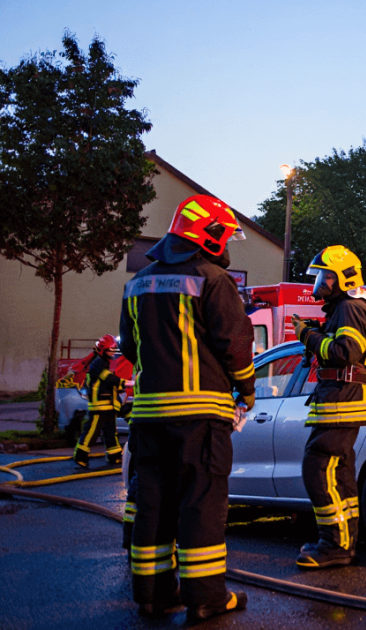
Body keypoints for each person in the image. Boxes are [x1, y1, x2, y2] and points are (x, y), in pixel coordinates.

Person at [119, 195, 255, 621]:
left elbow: (129, 346)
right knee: (200, 505)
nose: (228, 243)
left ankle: (153, 594)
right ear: (208, 235)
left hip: (148, 418)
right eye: (225, 233)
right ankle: (207, 600)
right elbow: (235, 344)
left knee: (153, 505)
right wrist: (246, 390)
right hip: (200, 420)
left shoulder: (136, 283)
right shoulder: (213, 280)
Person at [291, 245, 366, 569]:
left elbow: (345, 353)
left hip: (343, 402)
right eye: (320, 276)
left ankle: (333, 546)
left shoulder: (350, 308)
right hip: (343, 401)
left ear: (344, 278)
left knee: (316, 467)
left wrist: (306, 336)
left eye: (327, 276)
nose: (321, 283)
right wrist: (316, 333)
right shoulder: (346, 309)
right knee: (340, 474)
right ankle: (344, 542)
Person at [73, 334, 125, 468]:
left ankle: (114, 456)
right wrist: (129, 383)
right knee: (91, 433)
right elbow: (109, 380)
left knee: (111, 433)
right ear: (102, 350)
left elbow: (110, 385)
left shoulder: (104, 364)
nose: (113, 352)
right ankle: (80, 456)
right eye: (110, 349)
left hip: (108, 406)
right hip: (99, 407)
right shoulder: (97, 365)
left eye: (114, 349)